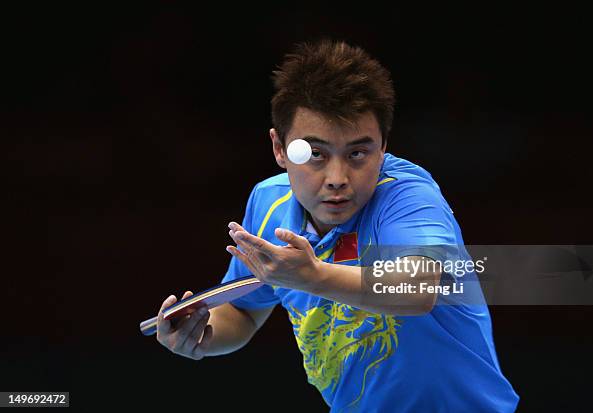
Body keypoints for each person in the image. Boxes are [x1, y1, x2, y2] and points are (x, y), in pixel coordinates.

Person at [155, 39, 520, 412]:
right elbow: (245, 310)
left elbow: (418, 288)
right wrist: (202, 335)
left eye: (358, 154)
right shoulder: (269, 204)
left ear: (383, 146)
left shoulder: (407, 198)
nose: (337, 178)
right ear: (280, 148)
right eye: (314, 154)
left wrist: (312, 276)